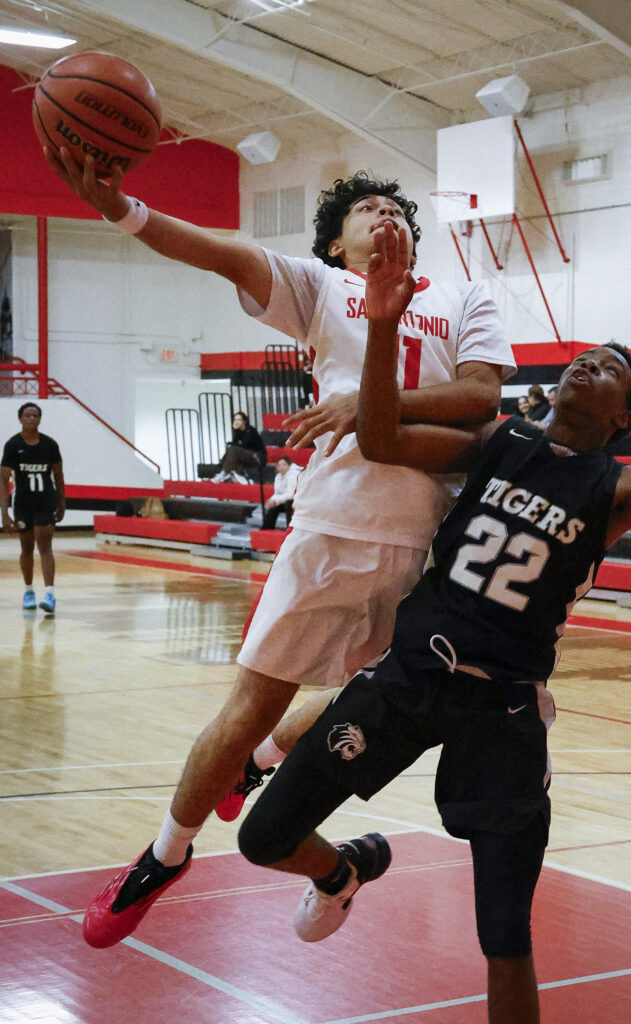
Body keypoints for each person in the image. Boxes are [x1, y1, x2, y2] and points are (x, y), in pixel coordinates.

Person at [236, 222, 631, 1024]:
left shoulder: (622, 485)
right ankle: (340, 872)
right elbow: (379, 437)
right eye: (587, 357)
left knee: (504, 933)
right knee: (262, 837)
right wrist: (381, 326)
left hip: (503, 710)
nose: (592, 363)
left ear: (622, 417)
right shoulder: (497, 438)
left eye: (612, 370)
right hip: (408, 676)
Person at [43, 151, 515, 948]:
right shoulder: (319, 288)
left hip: (426, 545)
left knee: (382, 694)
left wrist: (365, 403)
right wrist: (123, 209)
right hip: (331, 528)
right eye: (364, 209)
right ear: (337, 246)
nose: (383, 214)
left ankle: (263, 763)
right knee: (246, 706)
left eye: (392, 207)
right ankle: (164, 856)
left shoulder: (465, 296)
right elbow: (214, 249)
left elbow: (481, 396)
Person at [1, 402, 65, 614]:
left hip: (45, 501)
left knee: (44, 543)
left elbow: (58, 475)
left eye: (36, 415)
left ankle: (50, 593)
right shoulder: (12, 445)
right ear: (20, 418)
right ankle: (28, 591)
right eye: (28, 415)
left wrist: (62, 503)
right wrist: (5, 513)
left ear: (40, 419)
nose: (32, 419)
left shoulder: (49, 445)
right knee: (26, 548)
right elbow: (3, 481)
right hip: (23, 504)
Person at [211, 411, 267, 483]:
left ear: (245, 421)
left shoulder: (251, 430)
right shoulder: (238, 432)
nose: (236, 422)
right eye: (235, 420)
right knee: (232, 450)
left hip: (257, 457)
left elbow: (245, 446)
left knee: (234, 450)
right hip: (246, 457)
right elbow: (236, 446)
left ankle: (224, 472)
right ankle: (241, 478)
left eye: (239, 420)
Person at [262, 456, 301, 529]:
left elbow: (291, 494)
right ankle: (266, 529)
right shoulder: (278, 476)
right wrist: (272, 501)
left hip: (298, 501)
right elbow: (277, 493)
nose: (282, 467)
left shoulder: (293, 474)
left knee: (289, 503)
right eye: (279, 465)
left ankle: (290, 530)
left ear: (289, 465)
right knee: (273, 507)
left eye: (284, 464)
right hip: (285, 500)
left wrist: (276, 501)